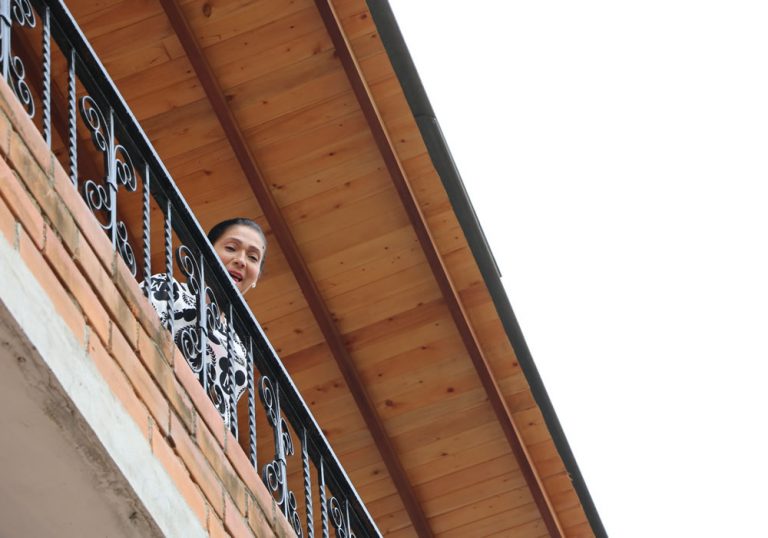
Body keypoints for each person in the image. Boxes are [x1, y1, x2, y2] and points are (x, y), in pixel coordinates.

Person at [143, 218, 267, 429]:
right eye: (231, 248)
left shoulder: (240, 351)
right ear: (207, 252)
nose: (241, 260)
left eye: (253, 257)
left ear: (256, 278)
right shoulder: (168, 289)